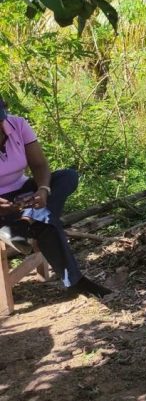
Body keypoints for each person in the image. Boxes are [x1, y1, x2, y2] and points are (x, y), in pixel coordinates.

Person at [0, 97, 111, 299]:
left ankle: (25, 222)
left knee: (67, 176)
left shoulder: (17, 124)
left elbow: (40, 165)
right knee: (47, 222)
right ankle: (76, 281)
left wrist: (42, 189)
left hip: (23, 192)